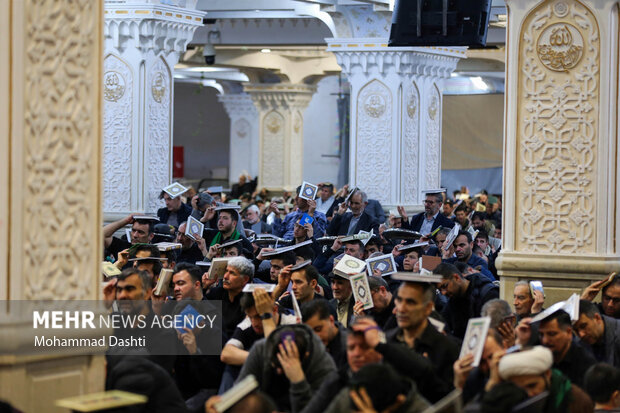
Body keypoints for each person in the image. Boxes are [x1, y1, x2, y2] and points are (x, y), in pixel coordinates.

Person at [232, 324, 338, 412]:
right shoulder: (262, 350)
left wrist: (298, 380)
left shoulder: (324, 367)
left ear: (305, 356)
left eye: (283, 368)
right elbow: (238, 396)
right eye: (276, 366)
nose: (278, 371)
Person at [387, 275, 460, 401]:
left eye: (410, 302)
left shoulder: (448, 348)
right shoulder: (388, 341)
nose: (401, 308)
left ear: (427, 308)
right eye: (399, 300)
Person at [496, 346, 593, 413]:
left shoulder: (577, 401)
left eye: (532, 386)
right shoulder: (507, 404)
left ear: (547, 374)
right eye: (519, 389)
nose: (529, 394)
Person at [517, 310, 597, 387]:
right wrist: (521, 341)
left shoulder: (585, 364)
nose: (545, 340)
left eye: (551, 334)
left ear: (568, 333)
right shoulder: (540, 352)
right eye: (541, 334)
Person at [434, 262, 499, 339]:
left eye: (444, 286)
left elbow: (494, 333)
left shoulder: (487, 293)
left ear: (456, 278)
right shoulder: (454, 299)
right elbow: (443, 323)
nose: (443, 292)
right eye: (440, 290)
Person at [204, 257, 254, 339]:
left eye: (232, 273)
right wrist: (205, 287)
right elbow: (198, 309)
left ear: (245, 279)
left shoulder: (250, 301)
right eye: (226, 271)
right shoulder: (216, 293)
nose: (225, 276)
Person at [302, 299, 347, 370]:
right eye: (310, 332)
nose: (316, 337)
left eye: (318, 329)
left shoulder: (350, 344)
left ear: (331, 320)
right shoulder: (310, 347)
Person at [574, 300, 620, 367]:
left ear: (597, 318)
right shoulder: (579, 344)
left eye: (583, 326)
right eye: (576, 330)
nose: (581, 334)